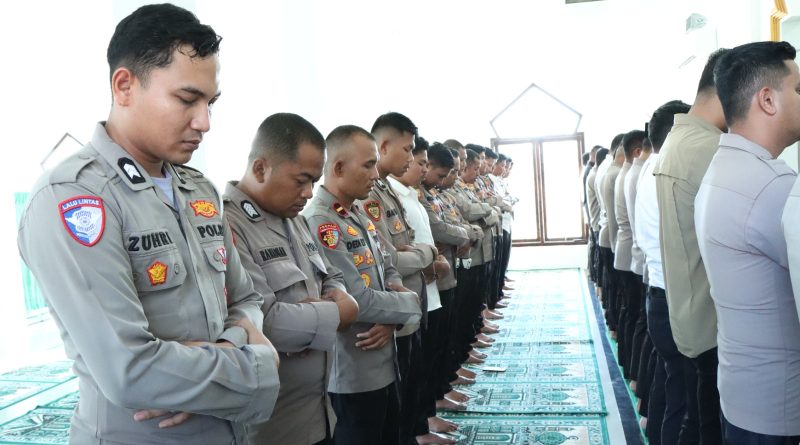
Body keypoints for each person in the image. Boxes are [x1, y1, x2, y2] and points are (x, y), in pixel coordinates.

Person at [16, 5, 281, 444]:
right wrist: (257, 363)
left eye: (211, 103)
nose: (204, 122)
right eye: (187, 99)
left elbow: (247, 299)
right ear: (124, 86)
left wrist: (222, 349)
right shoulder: (74, 198)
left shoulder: (198, 190)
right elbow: (130, 372)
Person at [222, 113, 360, 445]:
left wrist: (336, 298)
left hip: (318, 410)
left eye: (314, 181)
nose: (309, 193)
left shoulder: (293, 218)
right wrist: (339, 312)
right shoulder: (227, 224)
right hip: (273, 424)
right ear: (260, 169)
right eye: (301, 180)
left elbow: (330, 275)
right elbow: (264, 322)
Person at [698, 40, 800, 444]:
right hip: (778, 404)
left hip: (742, 388)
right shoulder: (773, 186)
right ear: (768, 100)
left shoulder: (722, 166)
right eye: (799, 89)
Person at [303, 125, 423, 445]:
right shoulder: (322, 221)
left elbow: (388, 268)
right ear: (339, 168)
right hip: (353, 374)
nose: (375, 174)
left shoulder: (356, 212)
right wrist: (410, 304)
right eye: (368, 165)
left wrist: (393, 317)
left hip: (384, 362)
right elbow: (358, 300)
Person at [654, 48, 729, 445]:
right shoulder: (707, 149)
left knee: (694, 416)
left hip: (687, 310)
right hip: (705, 319)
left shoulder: (680, 142)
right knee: (701, 421)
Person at [361, 112, 438, 445]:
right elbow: (388, 257)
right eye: (406, 150)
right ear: (383, 146)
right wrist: (427, 254)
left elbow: (400, 245)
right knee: (396, 402)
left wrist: (414, 251)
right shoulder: (368, 195)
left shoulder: (385, 189)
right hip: (391, 312)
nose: (410, 158)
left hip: (407, 302)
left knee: (411, 384)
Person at [388, 137, 458, 445]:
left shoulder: (411, 194)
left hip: (426, 288)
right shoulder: (392, 196)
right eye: (420, 162)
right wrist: (428, 259)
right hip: (412, 291)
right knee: (414, 371)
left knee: (424, 363)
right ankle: (419, 427)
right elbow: (395, 253)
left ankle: (423, 422)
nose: (423, 169)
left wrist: (430, 257)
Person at [636, 99, 692, 445]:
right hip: (671, 294)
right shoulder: (667, 172)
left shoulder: (651, 168)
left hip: (660, 289)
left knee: (671, 383)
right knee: (682, 400)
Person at [614, 130, 646, 379]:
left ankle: (629, 365)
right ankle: (633, 370)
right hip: (631, 253)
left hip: (627, 250)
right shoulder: (634, 175)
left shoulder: (627, 173)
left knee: (631, 313)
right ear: (637, 151)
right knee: (635, 316)